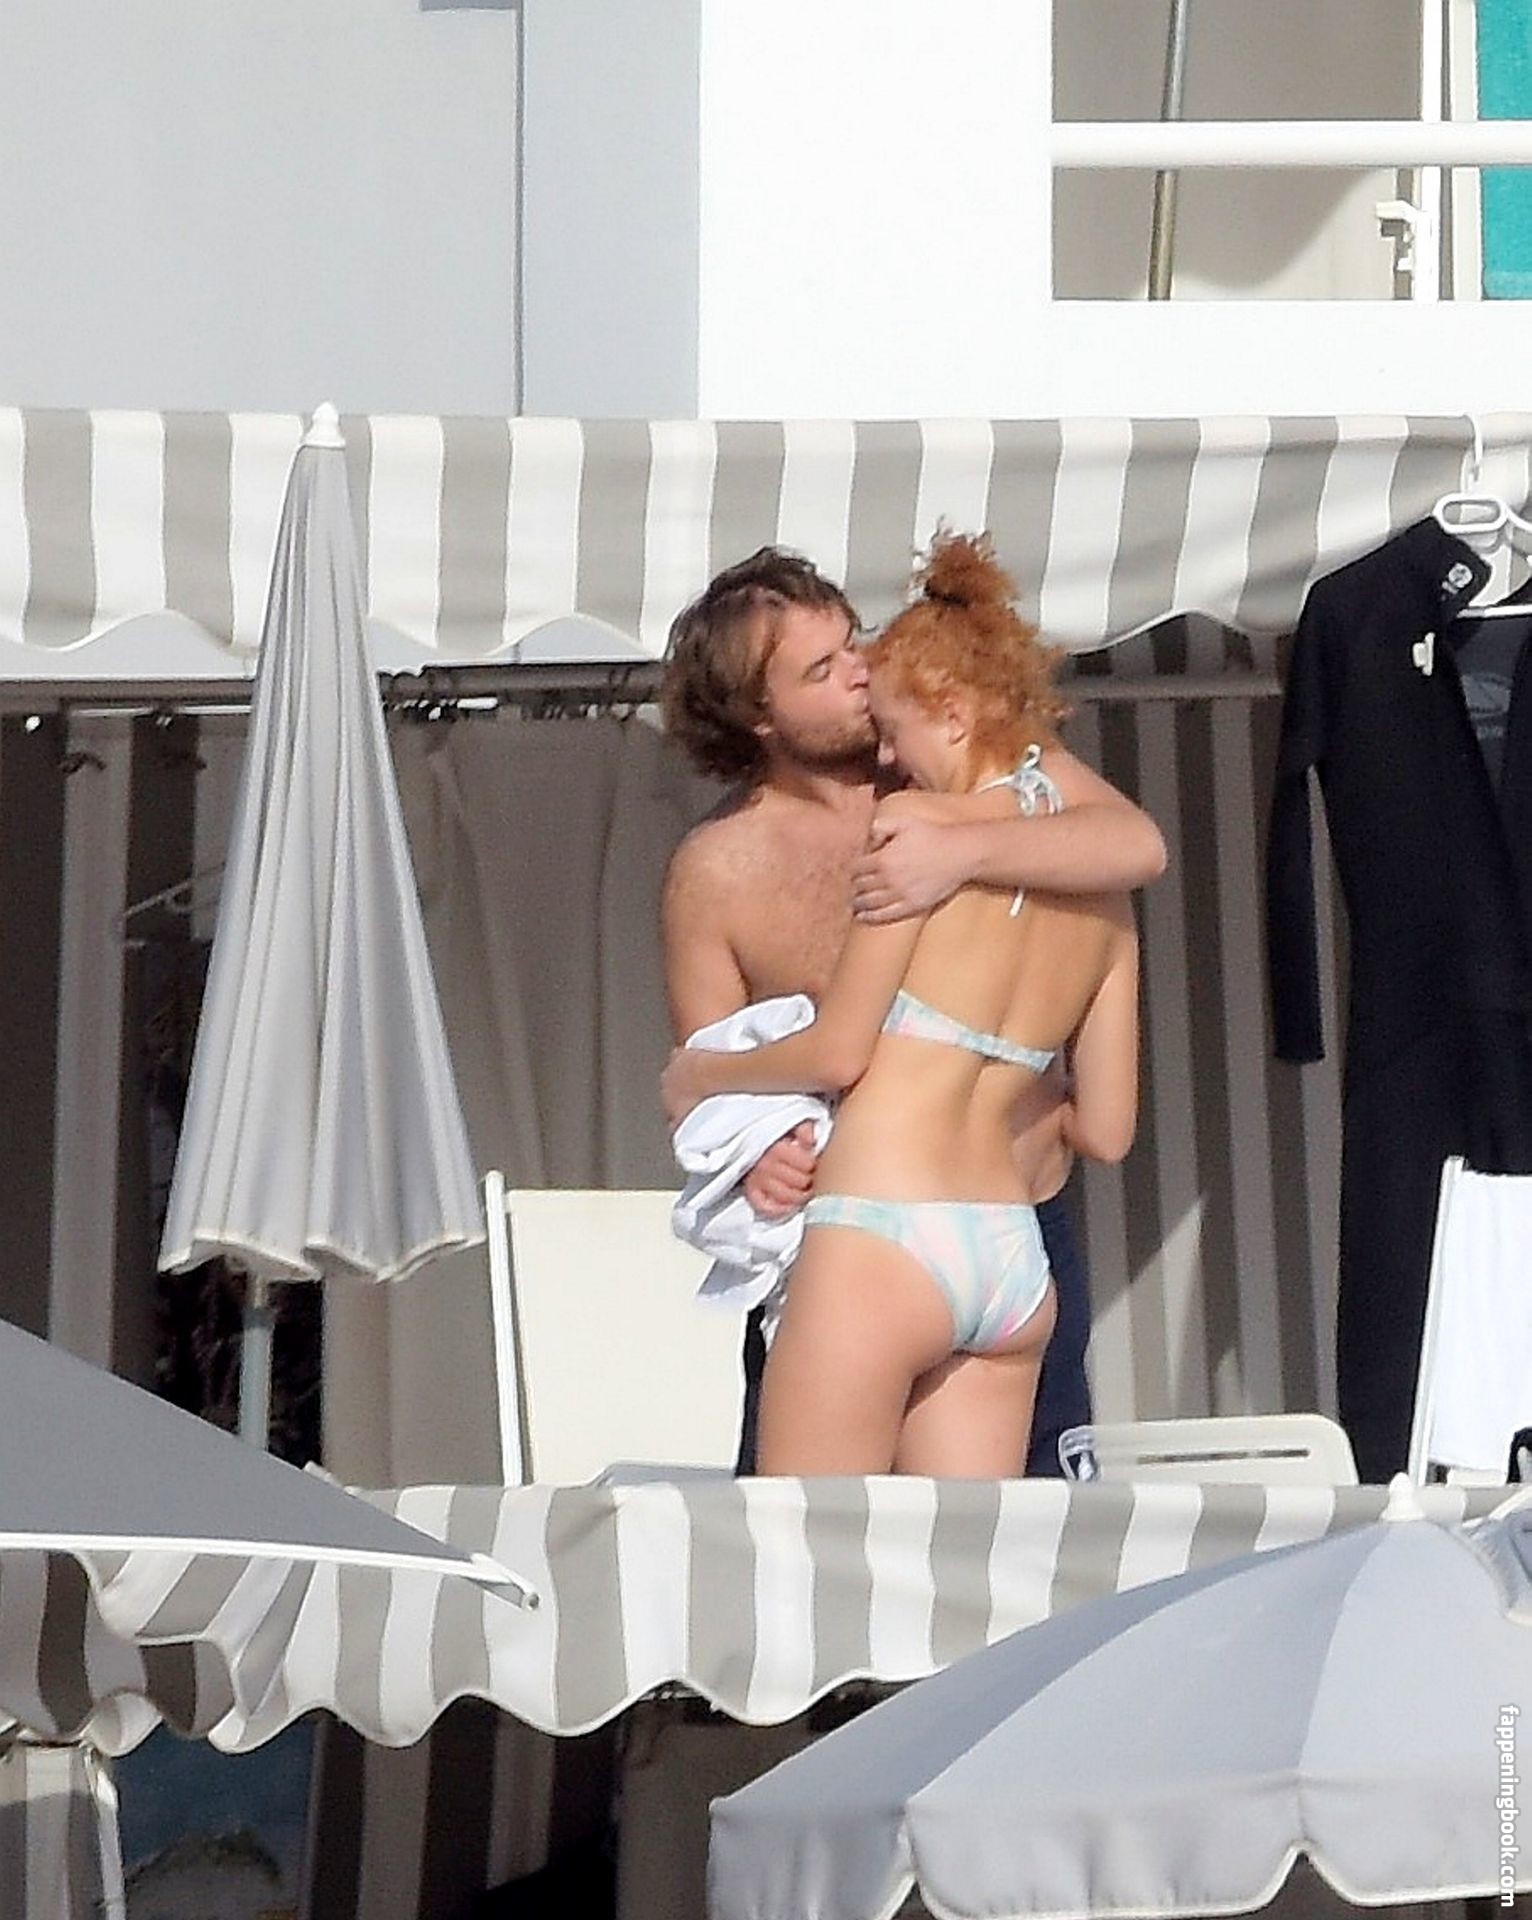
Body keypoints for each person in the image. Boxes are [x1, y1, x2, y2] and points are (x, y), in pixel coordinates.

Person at [660, 542, 1164, 1471]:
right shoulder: (718, 869)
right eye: (822, 669)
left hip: (983, 1220)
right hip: (888, 1237)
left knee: (835, 1542)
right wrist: (761, 1150)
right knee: (949, 1549)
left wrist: (961, 851)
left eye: (852, 643)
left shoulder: (966, 776)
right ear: (758, 715)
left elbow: (1135, 842)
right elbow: (726, 1088)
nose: (861, 673)